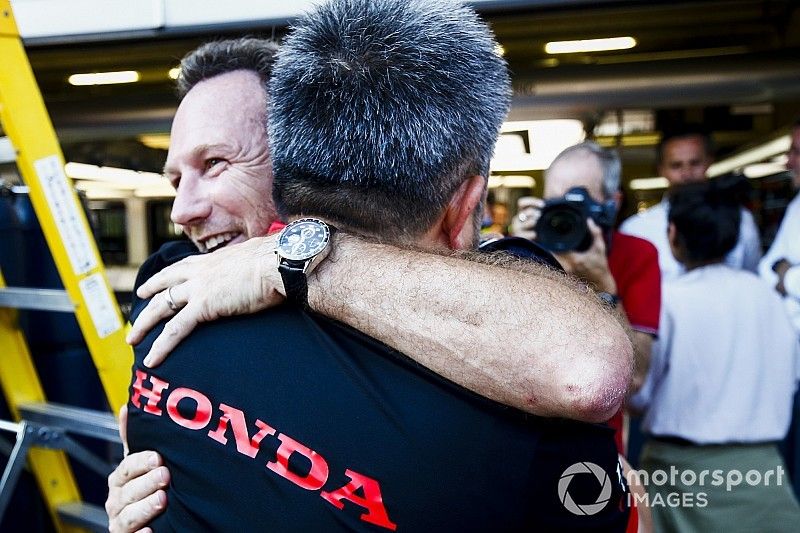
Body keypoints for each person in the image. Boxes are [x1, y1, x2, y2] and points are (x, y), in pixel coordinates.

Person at [109, 2, 635, 531]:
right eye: (175, 180)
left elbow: (586, 370)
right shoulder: (176, 283)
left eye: (216, 163)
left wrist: (289, 258)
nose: (182, 210)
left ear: (287, 155)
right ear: (463, 207)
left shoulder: (504, 320)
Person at [631, 175, 800, 532]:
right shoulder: (769, 298)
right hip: (763, 473)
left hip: (680, 477)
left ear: (672, 235)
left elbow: (639, 390)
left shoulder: (668, 302)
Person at [511, 141, 661, 453]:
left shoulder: (637, 255)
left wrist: (603, 283)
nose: (566, 214)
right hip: (520, 441)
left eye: (577, 201)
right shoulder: (528, 251)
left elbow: (634, 380)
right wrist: (517, 259)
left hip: (594, 448)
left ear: (612, 203)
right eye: (555, 202)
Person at [620, 126, 762, 280]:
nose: (687, 174)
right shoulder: (636, 230)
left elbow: (752, 278)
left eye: (695, 163)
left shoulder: (740, 219)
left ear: (709, 161)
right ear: (661, 169)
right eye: (676, 165)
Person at [759, 120, 800, 331]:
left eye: (798, 153)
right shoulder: (796, 206)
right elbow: (766, 268)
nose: (789, 163)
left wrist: (788, 276)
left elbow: (779, 270)